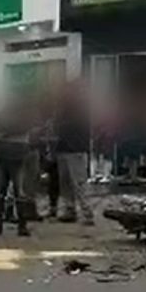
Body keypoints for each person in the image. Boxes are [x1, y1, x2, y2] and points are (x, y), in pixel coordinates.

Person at [0, 96, 31, 237]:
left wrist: (3, 134)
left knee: (0, 192)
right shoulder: (23, 117)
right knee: (18, 192)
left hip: (2, 157)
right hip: (15, 158)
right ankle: (21, 225)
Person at [55, 81, 94, 226]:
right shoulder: (64, 108)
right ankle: (70, 209)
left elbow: (74, 127)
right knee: (66, 183)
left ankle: (87, 212)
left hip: (75, 148)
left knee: (78, 182)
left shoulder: (80, 108)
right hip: (65, 147)